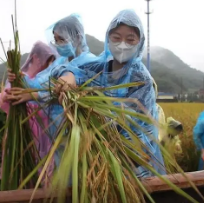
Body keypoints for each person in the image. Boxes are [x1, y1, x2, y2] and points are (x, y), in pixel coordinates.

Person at [51, 9, 166, 178]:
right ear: (108, 39)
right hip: (97, 166)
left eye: (130, 39)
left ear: (139, 42)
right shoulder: (99, 68)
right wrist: (69, 76)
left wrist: (103, 150)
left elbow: (141, 138)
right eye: (116, 38)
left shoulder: (141, 80)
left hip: (132, 171)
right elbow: (64, 70)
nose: (122, 44)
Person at [7, 14, 97, 168]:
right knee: (61, 172)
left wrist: (35, 95)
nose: (58, 44)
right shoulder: (60, 62)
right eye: (56, 39)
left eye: (61, 39)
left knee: (80, 174)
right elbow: (41, 84)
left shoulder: (91, 62)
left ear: (77, 37)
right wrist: (20, 78)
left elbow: (71, 89)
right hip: (56, 131)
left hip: (79, 131)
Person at [0, 41, 57, 181]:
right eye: (45, 60)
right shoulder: (19, 78)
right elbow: (3, 101)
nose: (47, 65)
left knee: (40, 176)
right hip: (21, 133)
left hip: (43, 136)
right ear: (36, 58)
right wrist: (8, 96)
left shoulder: (45, 80)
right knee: (19, 172)